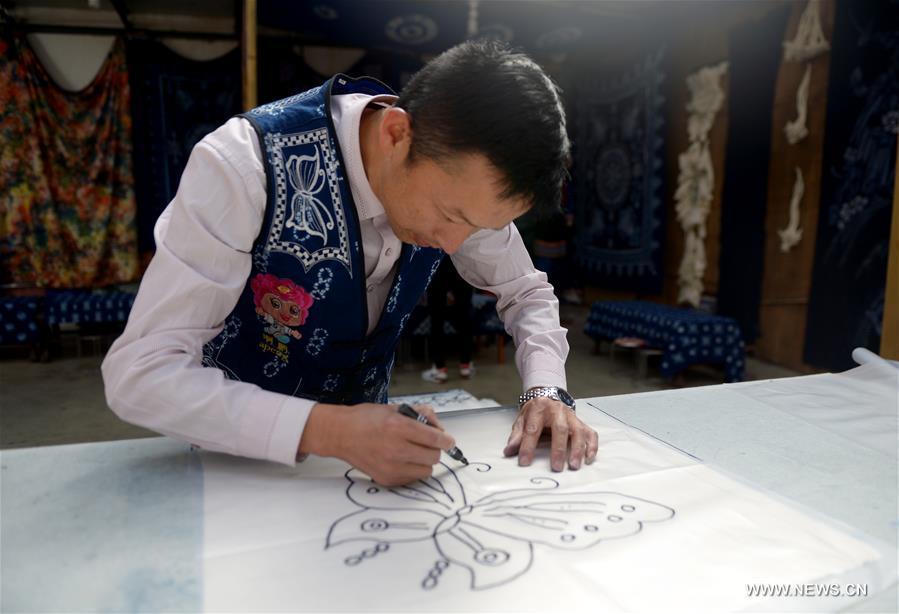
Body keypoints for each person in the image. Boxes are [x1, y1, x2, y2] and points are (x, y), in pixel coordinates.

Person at [101, 40, 599, 487]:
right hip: (234, 464)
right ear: (397, 132)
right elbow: (141, 373)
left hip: (368, 476)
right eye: (451, 215)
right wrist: (330, 430)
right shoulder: (243, 165)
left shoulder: (461, 186)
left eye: (477, 228)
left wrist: (545, 388)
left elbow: (525, 290)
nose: (453, 245)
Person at [421, 259, 475, 383]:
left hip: (438, 258)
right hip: (462, 260)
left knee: (437, 318)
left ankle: (440, 369)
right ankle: (465, 365)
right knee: (464, 315)